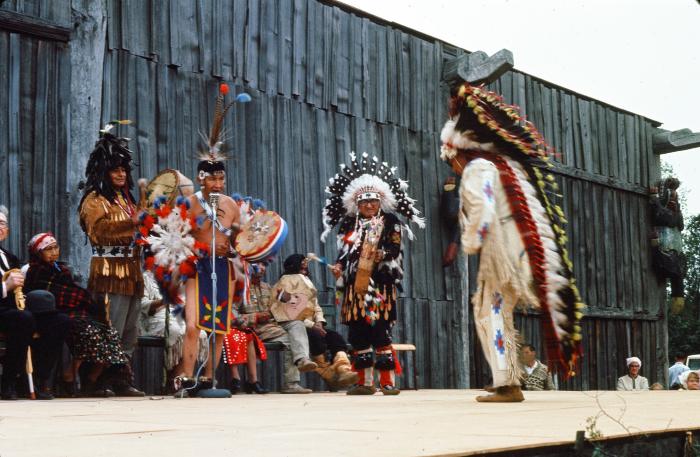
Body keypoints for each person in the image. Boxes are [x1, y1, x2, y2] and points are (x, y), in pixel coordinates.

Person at [439, 83, 584, 402]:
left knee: (489, 311)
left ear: (456, 152)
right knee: (495, 309)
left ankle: (507, 382)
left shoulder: (476, 167)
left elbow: (483, 207)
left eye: (451, 162)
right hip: (515, 250)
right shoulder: (498, 167)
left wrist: (469, 242)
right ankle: (507, 377)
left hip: (500, 253)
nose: (453, 168)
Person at [322, 152, 425, 396]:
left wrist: (382, 254)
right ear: (356, 203)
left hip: (380, 286)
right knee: (358, 333)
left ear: (381, 201)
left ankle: (387, 382)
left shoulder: (390, 221)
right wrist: (339, 266)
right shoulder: (349, 223)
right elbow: (344, 252)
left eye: (373, 201)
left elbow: (395, 248)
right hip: (354, 288)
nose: (369, 205)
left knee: (380, 332)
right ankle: (364, 382)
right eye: (364, 201)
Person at [78, 121, 145, 397]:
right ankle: (94, 380)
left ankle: (120, 378)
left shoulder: (128, 200)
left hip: (132, 270)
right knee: (110, 326)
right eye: (115, 169)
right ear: (103, 171)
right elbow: (98, 231)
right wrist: (134, 223)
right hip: (108, 271)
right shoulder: (94, 199)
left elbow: (140, 228)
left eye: (124, 170)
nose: (120, 174)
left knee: (130, 329)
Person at [24, 232, 128, 397]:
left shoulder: (62, 269)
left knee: (109, 334)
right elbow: (53, 294)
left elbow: (72, 290)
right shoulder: (36, 270)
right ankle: (68, 375)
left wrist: (83, 300)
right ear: (38, 253)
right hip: (55, 313)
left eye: (56, 247)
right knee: (90, 332)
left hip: (77, 311)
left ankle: (92, 380)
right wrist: (82, 298)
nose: (54, 252)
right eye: (48, 249)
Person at [0, 206, 71, 400]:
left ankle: (37, 379)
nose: (0, 227)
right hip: (5, 311)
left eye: (3, 224)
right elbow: (9, 286)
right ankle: (8, 382)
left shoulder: (10, 257)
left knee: (59, 321)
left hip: (15, 309)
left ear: (7, 231)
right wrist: (5, 286)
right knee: (23, 319)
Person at [230, 263, 313, 394]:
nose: (262, 268)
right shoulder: (240, 287)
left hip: (271, 327)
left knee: (297, 324)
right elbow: (231, 313)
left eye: (264, 265)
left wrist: (285, 298)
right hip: (249, 329)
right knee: (291, 340)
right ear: (247, 266)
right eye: (258, 264)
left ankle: (300, 365)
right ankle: (293, 378)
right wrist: (255, 317)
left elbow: (281, 309)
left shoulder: (268, 287)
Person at [280, 254, 357, 389]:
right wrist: (312, 325)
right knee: (314, 336)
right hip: (295, 325)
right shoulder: (286, 283)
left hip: (313, 325)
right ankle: (328, 374)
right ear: (293, 268)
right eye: (302, 268)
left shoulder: (307, 283)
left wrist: (319, 321)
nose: (305, 270)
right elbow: (291, 312)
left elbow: (316, 306)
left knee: (334, 336)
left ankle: (344, 369)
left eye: (306, 268)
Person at [138, 270, 209, 381]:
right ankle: (174, 380)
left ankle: (183, 379)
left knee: (200, 333)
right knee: (176, 331)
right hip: (156, 317)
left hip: (181, 315)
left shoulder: (180, 277)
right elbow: (142, 305)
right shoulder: (146, 277)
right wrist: (163, 301)